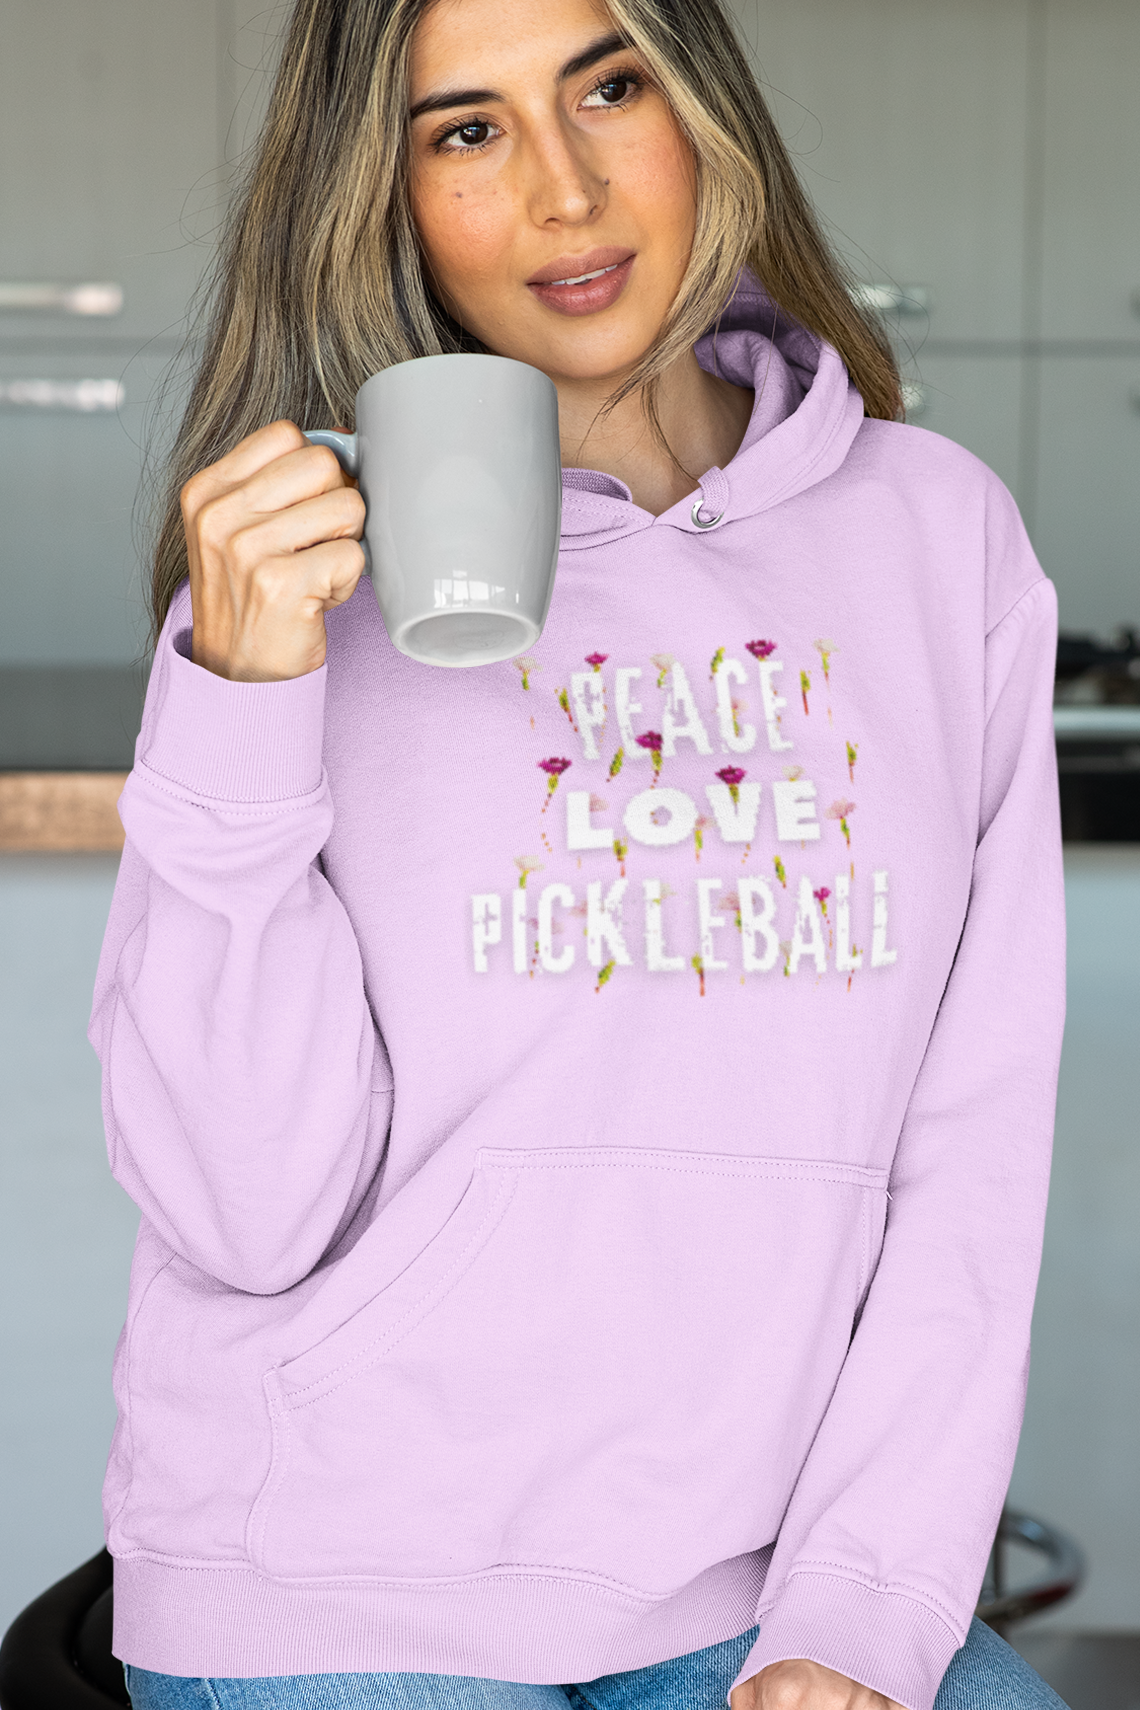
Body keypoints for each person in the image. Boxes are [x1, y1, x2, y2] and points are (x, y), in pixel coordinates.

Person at [89, 1, 1069, 1708]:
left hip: (753, 1574)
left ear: (704, 107)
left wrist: (859, 1606)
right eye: (465, 130)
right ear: (382, 197)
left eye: (609, 85)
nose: (563, 188)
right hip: (334, 1577)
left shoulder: (939, 538)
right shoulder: (301, 598)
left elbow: (968, 1161)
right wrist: (238, 696)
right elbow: (243, 1215)